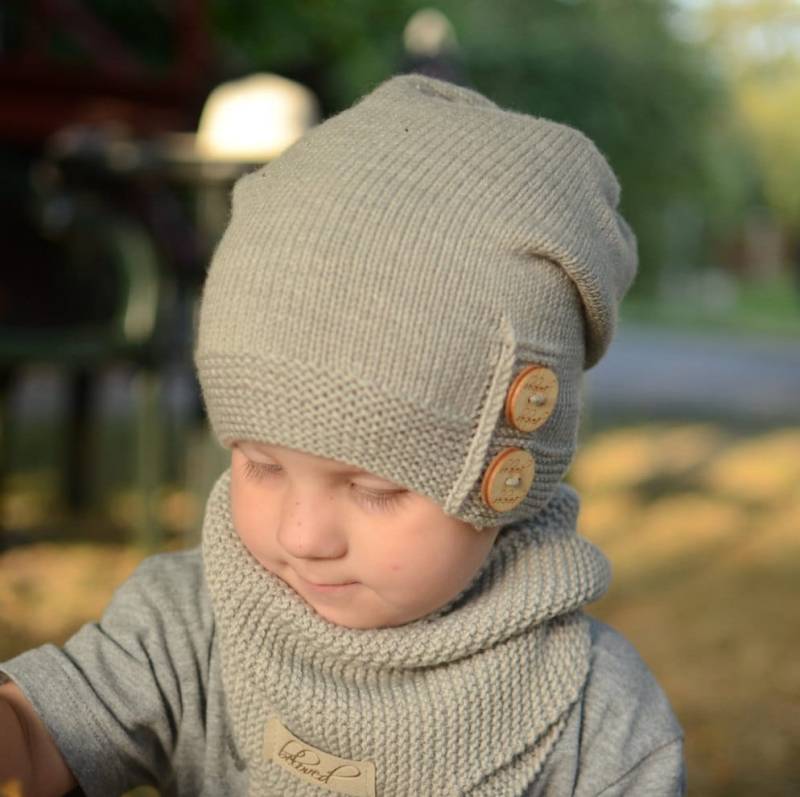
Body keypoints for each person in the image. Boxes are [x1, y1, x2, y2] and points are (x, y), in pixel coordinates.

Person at [0, 74, 685, 796]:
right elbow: (46, 730)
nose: (303, 534)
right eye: (261, 465)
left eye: (375, 487)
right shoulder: (191, 623)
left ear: (510, 479)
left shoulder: (599, 725)